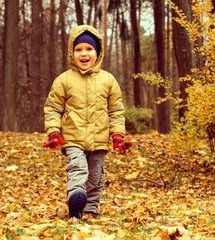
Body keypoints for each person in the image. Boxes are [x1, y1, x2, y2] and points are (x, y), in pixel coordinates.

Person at [42, 25, 133, 220]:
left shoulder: (108, 80)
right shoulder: (64, 80)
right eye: (79, 49)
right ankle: (76, 198)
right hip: (73, 138)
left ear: (98, 53)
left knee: (95, 177)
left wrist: (118, 135)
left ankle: (91, 209)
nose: (84, 54)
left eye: (89, 49)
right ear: (71, 53)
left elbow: (116, 110)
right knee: (78, 168)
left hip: (99, 139)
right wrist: (53, 132)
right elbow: (52, 108)